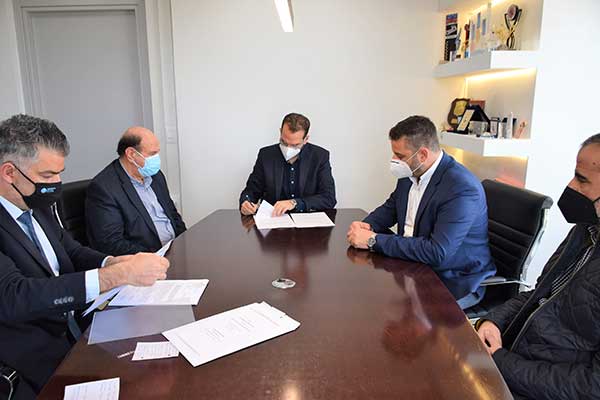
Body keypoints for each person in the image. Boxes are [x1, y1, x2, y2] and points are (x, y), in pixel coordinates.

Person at [0, 115, 169, 399]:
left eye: (59, 173)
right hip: (31, 358)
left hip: (80, 327)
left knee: (158, 363)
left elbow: (71, 250)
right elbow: (15, 295)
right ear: (9, 173)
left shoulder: (36, 204)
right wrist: (112, 276)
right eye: (47, 176)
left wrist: (111, 262)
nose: (57, 184)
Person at [476, 134, 600, 400]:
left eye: (582, 179)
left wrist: (501, 361)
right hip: (513, 356)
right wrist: (493, 321)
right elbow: (539, 294)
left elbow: (591, 386)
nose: (571, 186)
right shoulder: (585, 231)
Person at [347, 115, 495, 309]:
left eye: (400, 156)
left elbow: (437, 252)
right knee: (362, 299)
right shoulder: (411, 171)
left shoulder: (461, 187)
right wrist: (367, 225)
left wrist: (373, 240)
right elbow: (391, 207)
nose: (394, 161)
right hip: (412, 266)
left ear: (422, 154)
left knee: (380, 311)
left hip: (452, 279)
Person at [86, 126, 186, 255]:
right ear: (131, 154)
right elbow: (110, 243)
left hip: (174, 250)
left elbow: (172, 214)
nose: (157, 158)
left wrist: (184, 242)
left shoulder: (156, 175)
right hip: (147, 258)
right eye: (152, 154)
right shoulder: (104, 188)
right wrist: (154, 257)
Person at [239, 113, 336, 217]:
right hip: (273, 219)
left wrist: (295, 203)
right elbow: (251, 190)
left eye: (295, 145)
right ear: (280, 132)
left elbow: (329, 198)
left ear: (306, 139)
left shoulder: (320, 157)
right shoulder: (266, 155)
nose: (288, 149)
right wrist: (246, 202)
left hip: (307, 220)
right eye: (284, 142)